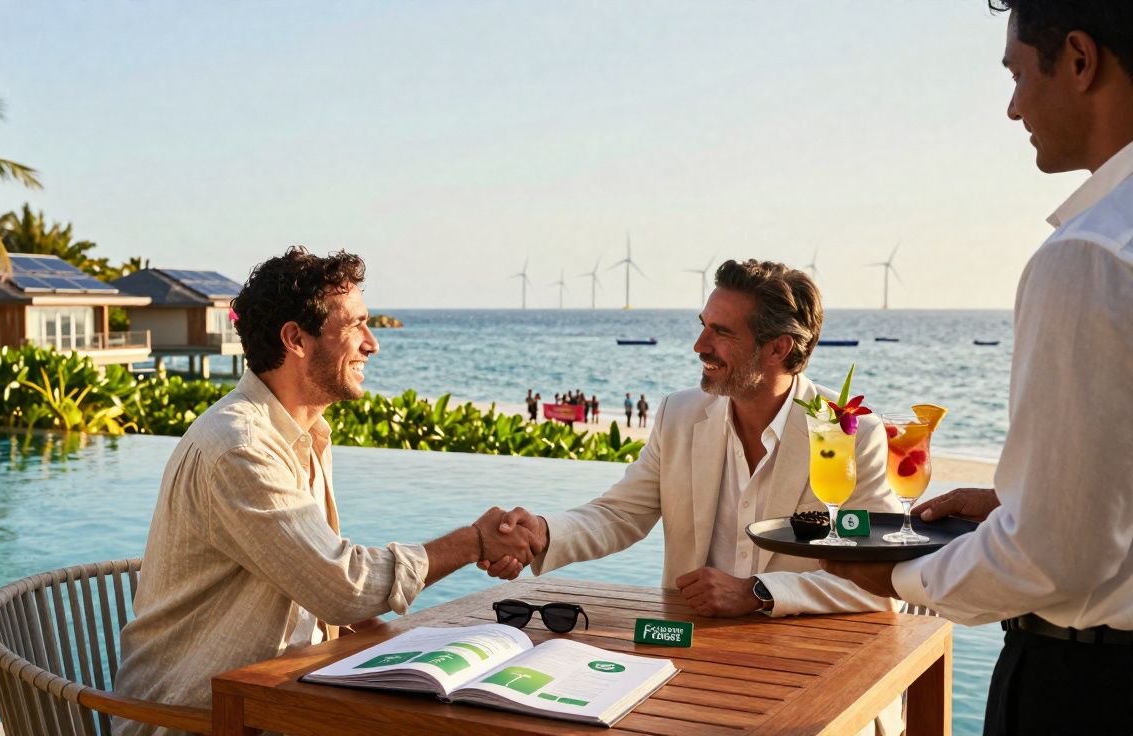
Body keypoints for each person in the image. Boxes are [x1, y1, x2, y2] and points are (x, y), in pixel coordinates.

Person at [824, 4, 1133, 734]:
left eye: (1020, 73)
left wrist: (897, 573)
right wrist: (1018, 503)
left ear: (1081, 60)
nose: (1013, 106)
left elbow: (1050, 559)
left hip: (1087, 689)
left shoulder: (1089, 256)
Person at [114, 247, 540, 736]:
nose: (372, 343)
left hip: (271, 702)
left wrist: (407, 651)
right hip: (195, 720)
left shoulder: (304, 434)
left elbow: (314, 582)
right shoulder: (240, 448)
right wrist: (474, 542)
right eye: (355, 325)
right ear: (295, 339)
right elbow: (340, 587)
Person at [487, 259, 903, 735]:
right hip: (685, 663)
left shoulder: (848, 432)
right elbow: (622, 513)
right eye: (703, 326)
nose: (700, 345)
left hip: (813, 679)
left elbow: (878, 581)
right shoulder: (679, 415)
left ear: (777, 348)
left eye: (721, 332)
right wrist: (543, 533)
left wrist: (758, 594)